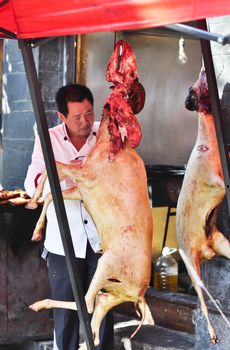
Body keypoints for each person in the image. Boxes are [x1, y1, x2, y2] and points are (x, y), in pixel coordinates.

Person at [24, 84, 114, 350]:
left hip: (102, 240)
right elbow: (33, 184)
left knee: (103, 311)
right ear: (61, 116)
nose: (85, 122)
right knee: (66, 316)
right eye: (77, 117)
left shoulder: (105, 134)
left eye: (89, 113)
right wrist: (63, 171)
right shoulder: (48, 138)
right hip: (63, 243)